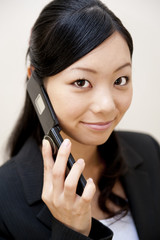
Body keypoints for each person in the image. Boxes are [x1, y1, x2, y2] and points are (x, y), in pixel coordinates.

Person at [0, 0, 160, 239]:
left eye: (120, 80)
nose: (107, 106)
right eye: (81, 82)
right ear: (36, 84)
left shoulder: (148, 151)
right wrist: (72, 231)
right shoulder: (4, 197)